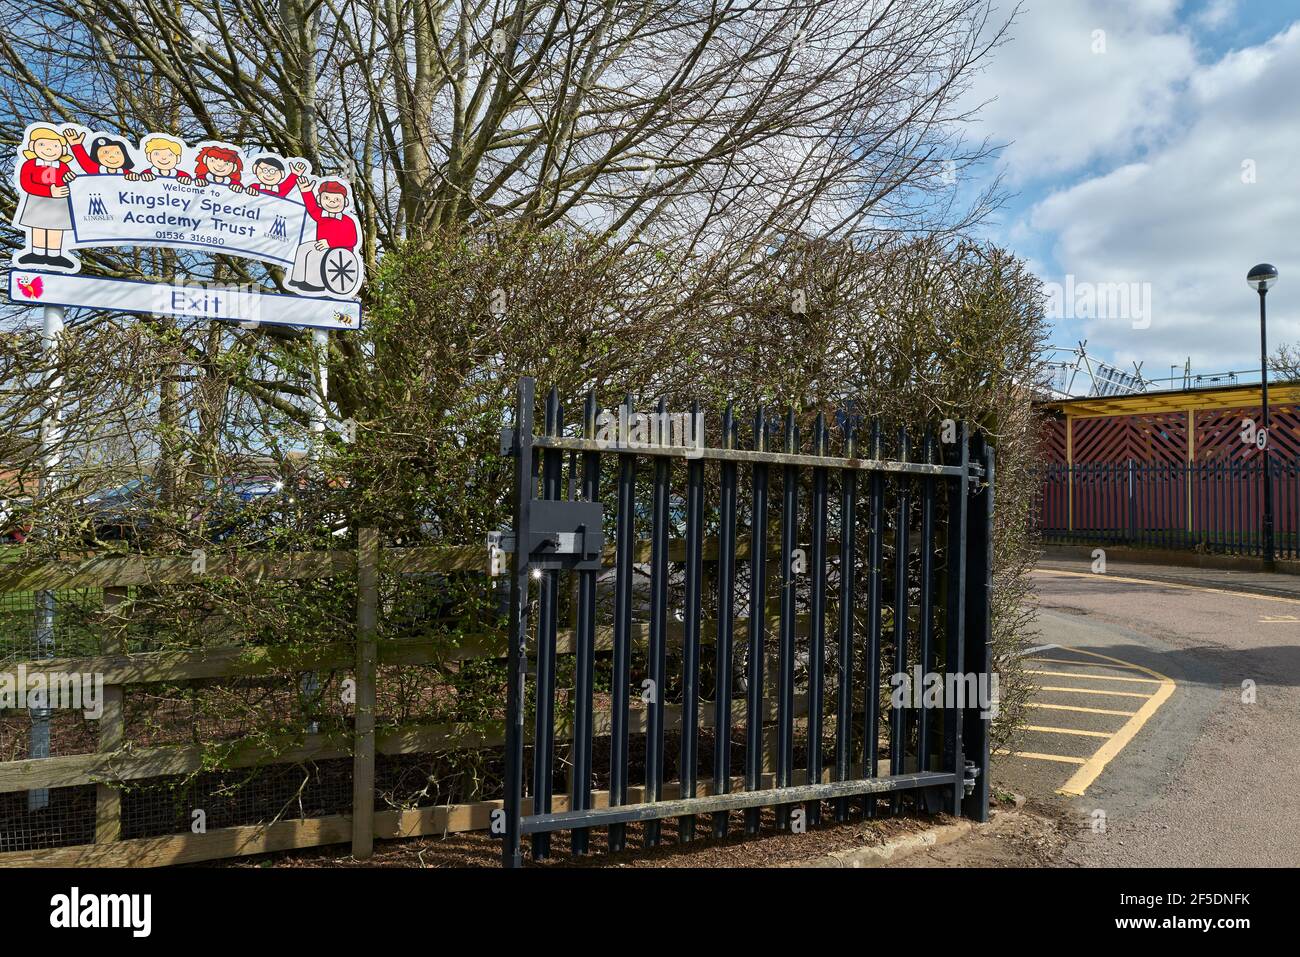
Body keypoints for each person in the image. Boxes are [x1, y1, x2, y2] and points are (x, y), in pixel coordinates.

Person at [14, 125, 78, 269]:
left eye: (55, 145)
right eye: (42, 144)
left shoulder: (62, 166)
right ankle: (36, 252)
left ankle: (55, 255)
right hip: (37, 202)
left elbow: (68, 182)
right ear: (32, 146)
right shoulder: (30, 165)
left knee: (56, 228)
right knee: (38, 227)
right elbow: (26, 184)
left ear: (62, 148)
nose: (49, 149)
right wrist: (49, 191)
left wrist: (69, 178)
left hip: (59, 203)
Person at [288, 175, 358, 293]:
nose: (331, 202)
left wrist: (330, 243)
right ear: (320, 200)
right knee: (303, 248)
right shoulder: (322, 216)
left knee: (316, 254)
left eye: (337, 199)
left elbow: (352, 240)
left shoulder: (348, 221)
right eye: (326, 198)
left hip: (340, 252)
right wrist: (306, 191)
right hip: (322, 246)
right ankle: (298, 278)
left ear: (345, 202)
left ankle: (315, 283)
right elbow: (311, 208)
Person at [63, 128, 134, 175]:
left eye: (117, 153)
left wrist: (134, 177)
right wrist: (76, 145)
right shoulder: (97, 170)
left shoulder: (126, 173)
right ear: (96, 156)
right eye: (105, 152)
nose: (112, 156)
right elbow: (84, 161)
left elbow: (138, 180)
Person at [127, 136, 193, 182]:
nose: (164, 158)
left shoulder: (183, 175)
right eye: (157, 154)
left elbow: (192, 184)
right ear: (149, 156)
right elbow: (138, 184)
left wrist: (186, 180)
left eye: (170, 155)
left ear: (178, 158)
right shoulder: (147, 173)